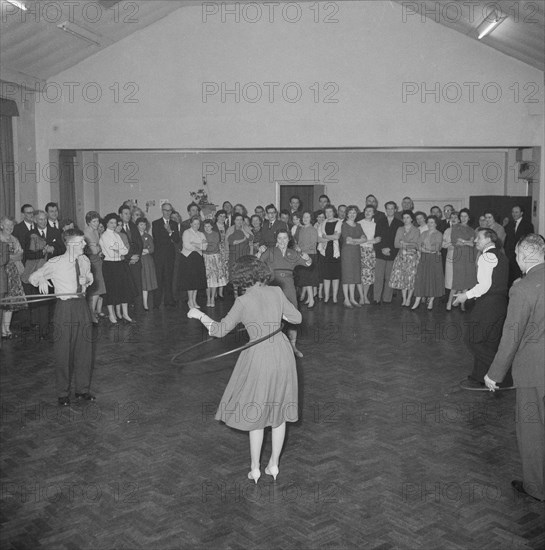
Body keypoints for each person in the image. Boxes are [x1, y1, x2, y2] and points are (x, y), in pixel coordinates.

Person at [188, 256, 302, 483]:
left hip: (259, 355)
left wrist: (199, 314)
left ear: (239, 276)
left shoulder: (243, 301)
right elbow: (296, 318)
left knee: (256, 413)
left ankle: (255, 469)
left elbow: (219, 331)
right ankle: (274, 465)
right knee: (278, 413)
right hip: (282, 352)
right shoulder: (276, 293)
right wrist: (280, 314)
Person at [485, 234, 544, 503]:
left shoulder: (522, 288)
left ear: (523, 255)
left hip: (534, 371)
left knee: (531, 431)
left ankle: (536, 487)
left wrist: (494, 374)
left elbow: (512, 335)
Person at [29, 229, 95, 406]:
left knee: (84, 349)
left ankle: (82, 390)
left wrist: (87, 280)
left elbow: (90, 277)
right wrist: (42, 279)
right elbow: (33, 277)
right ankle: (62, 393)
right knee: (63, 351)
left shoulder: (84, 260)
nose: (84, 244)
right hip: (65, 308)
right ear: (70, 244)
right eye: (81, 242)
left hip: (82, 306)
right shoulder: (56, 262)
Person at [454, 228, 512, 389]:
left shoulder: (487, 256)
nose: (475, 241)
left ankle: (505, 374)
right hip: (499, 303)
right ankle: (480, 376)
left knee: (472, 339)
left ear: (489, 239)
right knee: (489, 342)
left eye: (478, 238)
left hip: (489, 303)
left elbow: (485, 286)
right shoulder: (500, 254)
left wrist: (465, 296)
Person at [257, 228, 311, 357]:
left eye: (285, 238)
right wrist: (259, 253)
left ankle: (293, 347)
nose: (282, 241)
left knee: (293, 317)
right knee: (271, 317)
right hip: (273, 286)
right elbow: (256, 263)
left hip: (289, 287)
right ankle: (270, 347)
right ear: (276, 239)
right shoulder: (270, 251)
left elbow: (308, 264)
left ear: (289, 239)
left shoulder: (293, 253)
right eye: (279, 238)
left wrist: (307, 257)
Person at [99, 213, 136, 325]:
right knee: (111, 290)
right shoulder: (104, 236)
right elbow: (110, 252)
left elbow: (125, 250)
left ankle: (125, 314)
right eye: (111, 222)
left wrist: (118, 250)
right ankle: (111, 314)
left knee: (123, 289)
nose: (114, 225)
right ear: (106, 223)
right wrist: (118, 250)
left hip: (119, 264)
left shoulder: (117, 235)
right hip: (109, 265)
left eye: (115, 222)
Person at [0, 216, 27, 338]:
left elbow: (20, 255)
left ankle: (6, 328)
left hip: (13, 273)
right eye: (7, 225)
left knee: (10, 302)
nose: (10, 228)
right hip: (2, 273)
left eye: (12, 225)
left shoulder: (14, 239)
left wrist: (11, 257)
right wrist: (12, 257)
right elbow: (5, 259)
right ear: (1, 225)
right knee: (2, 301)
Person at [373, 201, 403, 304]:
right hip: (380, 252)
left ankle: (387, 298)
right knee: (378, 277)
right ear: (385, 210)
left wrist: (390, 249)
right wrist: (382, 248)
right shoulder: (380, 221)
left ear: (395, 209)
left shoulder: (400, 223)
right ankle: (376, 298)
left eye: (392, 208)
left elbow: (399, 240)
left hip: (393, 253)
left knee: (389, 277)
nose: (390, 210)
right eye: (388, 208)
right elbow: (376, 237)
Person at [412, 215, 444, 310]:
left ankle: (431, 300)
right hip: (424, 258)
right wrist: (427, 249)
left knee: (433, 278)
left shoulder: (439, 234)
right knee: (421, 278)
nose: (430, 224)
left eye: (432, 222)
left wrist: (425, 248)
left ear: (436, 224)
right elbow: (418, 245)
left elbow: (436, 248)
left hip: (434, 260)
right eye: (428, 222)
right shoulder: (424, 233)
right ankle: (417, 300)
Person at [152, 202, 180, 309]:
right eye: (165, 210)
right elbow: (157, 238)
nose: (168, 212)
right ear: (162, 210)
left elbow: (177, 239)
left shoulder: (174, 224)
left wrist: (170, 232)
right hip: (159, 255)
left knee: (169, 278)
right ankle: (157, 301)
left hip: (170, 255)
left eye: (169, 210)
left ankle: (169, 300)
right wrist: (170, 237)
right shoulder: (156, 223)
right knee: (158, 278)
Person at [389, 210, 420, 307]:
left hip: (411, 257)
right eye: (404, 218)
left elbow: (416, 245)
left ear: (412, 219)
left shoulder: (416, 230)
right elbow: (396, 244)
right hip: (401, 256)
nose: (406, 220)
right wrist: (408, 244)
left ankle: (409, 298)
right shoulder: (400, 229)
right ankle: (404, 298)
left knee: (411, 278)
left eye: (408, 217)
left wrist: (405, 243)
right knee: (402, 278)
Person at [450, 208, 477, 311]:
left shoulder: (472, 230)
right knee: (459, 278)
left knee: (468, 278)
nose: (463, 218)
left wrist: (463, 241)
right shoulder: (455, 227)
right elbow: (455, 242)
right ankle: (454, 301)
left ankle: (463, 302)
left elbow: (472, 244)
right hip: (459, 256)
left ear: (469, 217)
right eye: (461, 216)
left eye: (465, 216)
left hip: (469, 256)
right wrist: (467, 242)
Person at [178, 216, 207, 308]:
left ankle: (194, 301)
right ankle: (190, 301)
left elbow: (205, 246)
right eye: (194, 223)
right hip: (188, 258)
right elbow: (186, 245)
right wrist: (198, 245)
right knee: (190, 281)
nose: (196, 225)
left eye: (198, 224)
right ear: (190, 224)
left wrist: (194, 243)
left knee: (196, 281)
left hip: (198, 258)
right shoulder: (186, 232)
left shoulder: (201, 234)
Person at [340, 206, 367, 308]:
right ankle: (346, 299)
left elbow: (364, 239)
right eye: (350, 213)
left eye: (354, 213)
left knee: (354, 276)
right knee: (347, 275)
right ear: (347, 214)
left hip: (356, 252)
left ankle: (352, 298)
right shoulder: (344, 225)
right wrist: (358, 240)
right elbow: (347, 240)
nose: (352, 215)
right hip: (347, 253)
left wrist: (355, 241)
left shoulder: (359, 225)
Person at [84, 211, 106, 324]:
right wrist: (97, 247)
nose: (97, 223)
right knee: (94, 290)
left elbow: (99, 248)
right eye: (94, 221)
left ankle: (92, 313)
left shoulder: (95, 231)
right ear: (88, 222)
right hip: (91, 262)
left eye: (97, 221)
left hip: (97, 261)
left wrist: (97, 247)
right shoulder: (87, 233)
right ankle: (91, 314)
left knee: (98, 289)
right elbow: (94, 250)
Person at [317, 204, 342, 303]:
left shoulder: (339, 222)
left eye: (330, 211)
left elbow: (337, 237)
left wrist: (325, 236)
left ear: (334, 212)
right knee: (326, 275)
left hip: (335, 251)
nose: (328, 214)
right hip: (325, 252)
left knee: (335, 275)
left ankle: (335, 297)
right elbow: (319, 238)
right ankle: (326, 296)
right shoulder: (322, 223)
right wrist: (328, 237)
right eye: (326, 212)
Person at [504, 205, 534, 286]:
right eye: (513, 212)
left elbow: (529, 240)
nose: (514, 214)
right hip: (510, 255)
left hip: (521, 255)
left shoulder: (528, 225)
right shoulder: (509, 225)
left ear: (521, 213)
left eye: (516, 212)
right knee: (510, 278)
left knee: (518, 277)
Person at [119, 204, 143, 305]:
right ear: (120, 215)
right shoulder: (118, 228)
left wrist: (137, 256)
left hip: (136, 259)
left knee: (137, 284)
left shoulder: (133, 226)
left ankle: (138, 307)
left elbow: (139, 243)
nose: (128, 216)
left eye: (129, 214)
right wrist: (129, 257)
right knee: (126, 285)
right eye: (125, 214)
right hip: (125, 260)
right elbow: (119, 246)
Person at [294, 211, 318, 309]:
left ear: (311, 218)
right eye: (304, 217)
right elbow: (299, 242)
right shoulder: (302, 229)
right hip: (302, 255)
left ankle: (311, 299)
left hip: (310, 255)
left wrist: (301, 249)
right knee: (305, 278)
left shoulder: (313, 229)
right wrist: (297, 247)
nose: (305, 219)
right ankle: (309, 298)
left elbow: (313, 243)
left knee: (308, 279)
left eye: (307, 217)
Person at [358, 205, 380, 305]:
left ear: (374, 213)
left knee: (368, 275)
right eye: (366, 210)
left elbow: (378, 239)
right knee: (359, 274)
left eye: (370, 211)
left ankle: (365, 295)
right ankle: (361, 296)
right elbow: (358, 239)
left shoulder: (376, 225)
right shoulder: (359, 223)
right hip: (359, 250)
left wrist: (372, 241)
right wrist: (371, 240)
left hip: (370, 251)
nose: (367, 212)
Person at [202, 219, 227, 307]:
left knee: (214, 279)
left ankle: (213, 298)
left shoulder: (216, 234)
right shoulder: (202, 234)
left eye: (208, 226)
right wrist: (205, 246)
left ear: (212, 226)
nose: (207, 228)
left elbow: (214, 246)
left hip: (214, 257)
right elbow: (201, 246)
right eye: (205, 226)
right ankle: (208, 298)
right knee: (207, 280)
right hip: (205, 258)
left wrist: (206, 246)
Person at [136, 217, 158, 311]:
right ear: (137, 225)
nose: (143, 226)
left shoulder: (148, 236)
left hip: (147, 261)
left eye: (144, 224)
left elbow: (152, 248)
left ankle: (145, 304)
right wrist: (144, 249)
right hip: (137, 260)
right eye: (141, 224)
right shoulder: (134, 236)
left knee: (146, 282)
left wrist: (145, 250)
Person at [442, 211, 459, 310]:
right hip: (450, 256)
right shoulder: (447, 230)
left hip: (461, 256)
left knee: (459, 278)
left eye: (455, 217)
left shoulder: (463, 230)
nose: (453, 219)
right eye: (451, 217)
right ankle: (452, 299)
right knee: (450, 279)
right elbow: (443, 245)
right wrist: (450, 244)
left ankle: (454, 300)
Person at [227, 214, 252, 278]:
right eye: (237, 220)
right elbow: (231, 242)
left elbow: (251, 238)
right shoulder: (231, 229)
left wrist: (243, 229)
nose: (239, 221)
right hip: (234, 255)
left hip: (244, 254)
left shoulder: (246, 228)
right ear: (234, 221)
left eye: (241, 220)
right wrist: (243, 240)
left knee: (245, 273)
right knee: (234, 273)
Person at [214, 210, 229, 299]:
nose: (222, 218)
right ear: (217, 217)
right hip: (215, 250)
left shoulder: (228, 227)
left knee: (223, 271)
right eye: (220, 216)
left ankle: (221, 292)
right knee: (216, 271)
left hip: (225, 250)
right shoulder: (212, 226)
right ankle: (214, 292)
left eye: (224, 216)